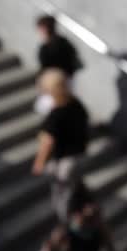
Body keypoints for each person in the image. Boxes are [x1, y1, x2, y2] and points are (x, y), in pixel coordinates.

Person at [32, 69, 89, 224]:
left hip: (65, 161)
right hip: (79, 155)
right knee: (73, 189)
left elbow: (47, 141)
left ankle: (66, 224)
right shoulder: (77, 105)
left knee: (63, 195)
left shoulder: (56, 114)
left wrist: (39, 163)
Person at [34, 15, 83, 116]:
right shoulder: (64, 42)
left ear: (44, 28)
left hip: (57, 83)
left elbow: (45, 69)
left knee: (53, 109)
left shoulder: (46, 48)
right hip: (66, 80)